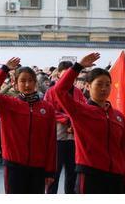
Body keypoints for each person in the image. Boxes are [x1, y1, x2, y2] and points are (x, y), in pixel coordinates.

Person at [54, 52, 125, 193]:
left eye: (107, 84)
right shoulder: (80, 111)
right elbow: (59, 91)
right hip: (90, 176)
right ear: (88, 86)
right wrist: (77, 67)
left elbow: (124, 150)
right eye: (99, 84)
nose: (104, 88)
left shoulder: (118, 117)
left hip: (116, 177)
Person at [0, 58, 56, 193]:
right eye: (23, 81)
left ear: (36, 83)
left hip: (39, 167)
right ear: (15, 84)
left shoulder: (47, 108)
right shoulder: (7, 104)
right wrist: (4, 70)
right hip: (14, 166)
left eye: (30, 80)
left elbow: (51, 142)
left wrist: (50, 171)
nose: (27, 85)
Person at [43, 60, 86, 194]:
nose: (70, 77)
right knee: (53, 175)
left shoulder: (78, 92)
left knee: (72, 174)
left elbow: (83, 109)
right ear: (59, 75)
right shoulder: (51, 91)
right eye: (66, 73)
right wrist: (67, 119)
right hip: (58, 137)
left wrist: (74, 120)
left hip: (74, 138)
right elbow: (49, 111)